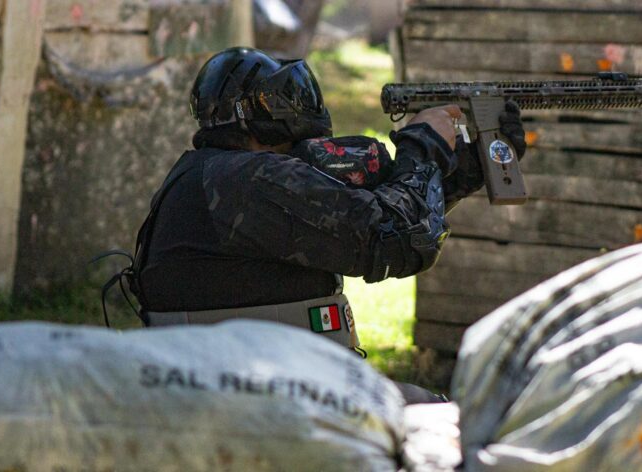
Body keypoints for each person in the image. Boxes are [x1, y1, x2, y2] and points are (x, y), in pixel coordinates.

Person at [106, 47, 525, 401]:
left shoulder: (220, 175)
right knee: (445, 422)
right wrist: (423, 147)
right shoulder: (250, 180)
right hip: (250, 391)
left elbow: (382, 216)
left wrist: (462, 170)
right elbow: (397, 241)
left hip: (252, 379)